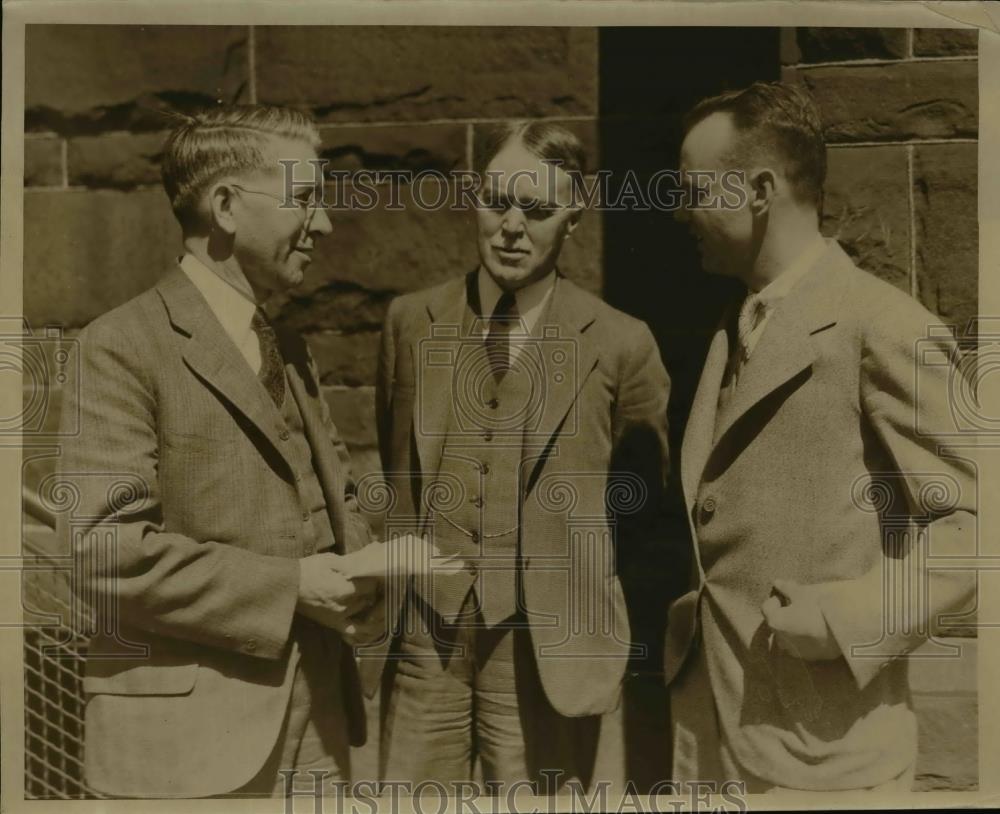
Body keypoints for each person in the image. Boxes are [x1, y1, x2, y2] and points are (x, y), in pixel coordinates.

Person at [57, 105, 383, 798]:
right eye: (304, 199)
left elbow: (333, 499)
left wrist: (365, 564)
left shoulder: (289, 349)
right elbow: (102, 551)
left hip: (320, 721)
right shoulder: (120, 346)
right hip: (188, 751)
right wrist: (292, 586)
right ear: (227, 207)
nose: (322, 224)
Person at [666, 81, 977, 792]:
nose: (680, 213)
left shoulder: (882, 325)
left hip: (824, 757)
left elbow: (978, 531)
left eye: (693, 191)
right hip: (711, 732)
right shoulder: (730, 328)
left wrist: (849, 619)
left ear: (759, 190)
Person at [372, 121, 670, 790]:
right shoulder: (409, 321)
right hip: (428, 634)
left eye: (535, 210)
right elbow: (398, 475)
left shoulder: (622, 343)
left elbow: (644, 515)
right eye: (496, 201)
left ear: (574, 219)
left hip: (545, 646)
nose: (510, 226)